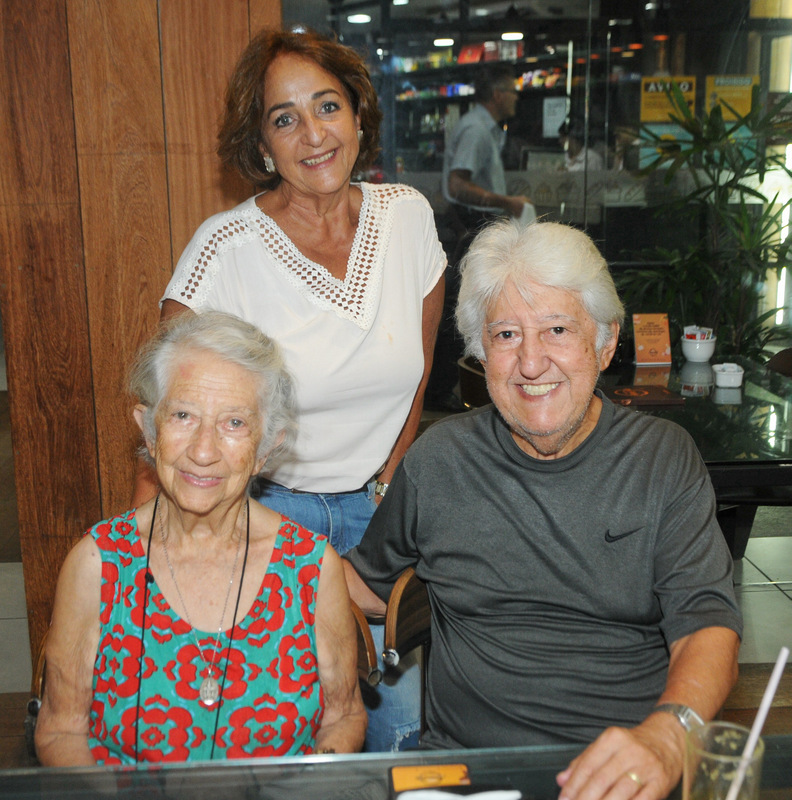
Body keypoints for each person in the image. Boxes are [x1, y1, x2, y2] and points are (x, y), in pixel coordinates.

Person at [343, 220, 742, 800]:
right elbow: (361, 586)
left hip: (621, 774)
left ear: (604, 344)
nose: (531, 364)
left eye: (557, 329)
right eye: (505, 335)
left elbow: (707, 628)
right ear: (481, 355)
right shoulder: (440, 461)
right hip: (466, 778)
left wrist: (665, 736)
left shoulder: (661, 459)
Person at [136, 29, 445, 752]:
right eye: (284, 118)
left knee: (405, 744)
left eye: (327, 106)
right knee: (283, 739)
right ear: (262, 144)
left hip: (382, 520)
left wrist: (395, 475)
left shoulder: (407, 217)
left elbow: (421, 367)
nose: (313, 134)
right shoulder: (226, 248)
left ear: (358, 115)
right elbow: (165, 414)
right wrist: (158, 560)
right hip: (267, 522)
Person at [36, 312, 366, 765]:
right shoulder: (97, 565)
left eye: (234, 424)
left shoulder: (311, 568)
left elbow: (342, 717)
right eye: (183, 415)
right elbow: (60, 731)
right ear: (150, 431)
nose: (203, 451)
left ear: (266, 448)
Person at [427, 64, 531, 413]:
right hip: (470, 225)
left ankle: (446, 389)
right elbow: (457, 185)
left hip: (476, 223)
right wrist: (506, 203)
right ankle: (439, 393)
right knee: (463, 310)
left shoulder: (484, 128)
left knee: (468, 307)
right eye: (513, 91)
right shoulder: (475, 129)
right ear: (498, 94)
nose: (518, 98)